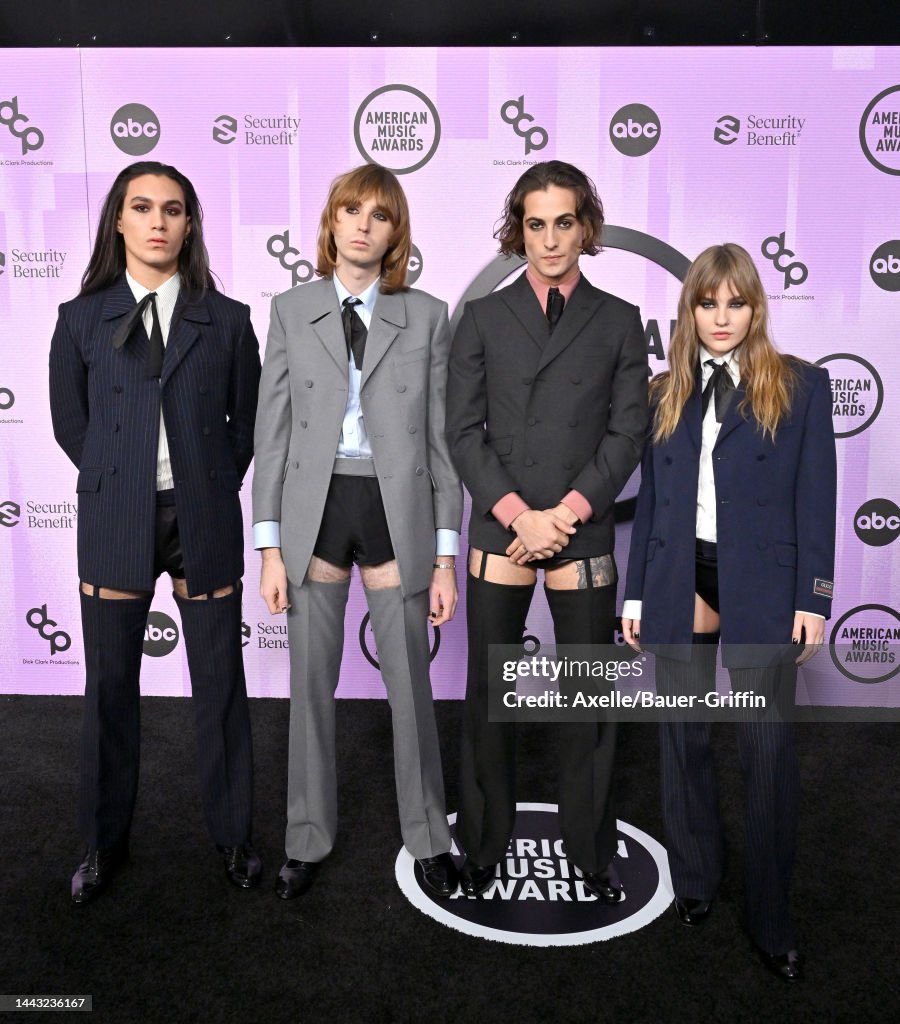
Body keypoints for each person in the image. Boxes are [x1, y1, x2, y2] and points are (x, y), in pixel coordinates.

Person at [621, 243, 836, 982]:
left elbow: (818, 499)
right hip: (681, 573)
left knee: (766, 754)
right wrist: (638, 592)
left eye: (734, 302)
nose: (721, 317)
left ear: (755, 307)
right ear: (690, 309)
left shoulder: (803, 388)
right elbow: (653, 499)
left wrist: (813, 599)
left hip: (764, 586)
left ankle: (771, 918)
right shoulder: (665, 391)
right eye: (707, 303)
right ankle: (696, 880)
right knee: (683, 742)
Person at [49, 161, 262, 904]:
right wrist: (123, 481)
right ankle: (104, 844)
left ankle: (234, 837)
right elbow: (71, 425)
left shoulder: (228, 319)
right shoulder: (80, 319)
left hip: (201, 520)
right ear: (119, 220)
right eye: (143, 208)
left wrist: (204, 485)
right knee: (109, 686)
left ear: (190, 224)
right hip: (115, 520)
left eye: (173, 209)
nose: (159, 221)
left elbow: (246, 425)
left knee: (220, 685)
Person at [252, 164, 463, 900]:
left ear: (394, 230)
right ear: (331, 222)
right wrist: (269, 547)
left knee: (411, 686)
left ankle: (429, 836)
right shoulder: (289, 308)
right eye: (351, 209)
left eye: (379, 214)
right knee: (309, 685)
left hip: (394, 511)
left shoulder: (428, 315)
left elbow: (442, 448)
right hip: (314, 513)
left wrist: (444, 558)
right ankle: (305, 839)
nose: (363, 224)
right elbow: (271, 437)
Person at [445, 160, 648, 899]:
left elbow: (628, 434)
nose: (551, 238)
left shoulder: (621, 320)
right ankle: (483, 845)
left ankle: (591, 856)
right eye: (537, 223)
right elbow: (462, 431)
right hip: (503, 526)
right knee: (487, 693)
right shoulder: (484, 318)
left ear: (585, 226)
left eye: (565, 222)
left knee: (588, 701)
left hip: (579, 530)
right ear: (517, 229)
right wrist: (516, 516)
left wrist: (562, 515)